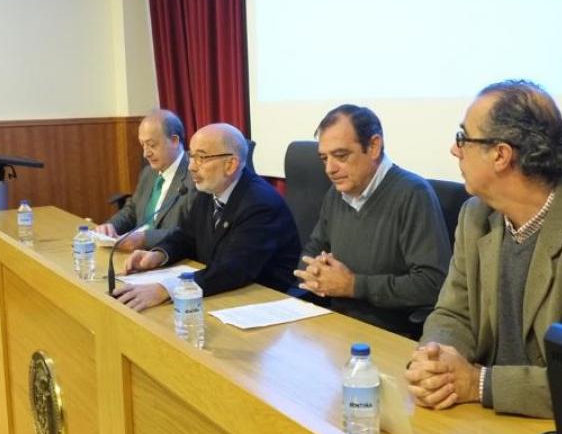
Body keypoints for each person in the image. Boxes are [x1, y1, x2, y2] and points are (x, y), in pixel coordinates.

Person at [404, 80, 562, 418]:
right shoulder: (475, 216)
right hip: (483, 422)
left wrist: (479, 383)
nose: (455, 150)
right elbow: (454, 313)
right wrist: (435, 360)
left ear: (501, 154)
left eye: (463, 138)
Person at [293, 104, 451, 336]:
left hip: (390, 333)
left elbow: (433, 284)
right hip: (336, 325)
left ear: (374, 146)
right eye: (323, 158)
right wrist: (316, 272)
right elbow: (308, 256)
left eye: (340, 156)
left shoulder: (413, 194)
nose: (329, 169)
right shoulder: (336, 194)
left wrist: (353, 286)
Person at [112, 123, 301, 311]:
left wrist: (165, 289)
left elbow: (233, 269)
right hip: (223, 295)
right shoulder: (208, 192)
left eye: (201, 158)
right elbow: (186, 236)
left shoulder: (260, 204)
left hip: (263, 303)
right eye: (191, 156)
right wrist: (158, 255)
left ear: (230, 164)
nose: (192, 167)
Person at [96, 109, 195, 251]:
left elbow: (190, 231)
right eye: (143, 145)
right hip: (136, 253)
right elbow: (132, 210)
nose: (146, 153)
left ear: (174, 141)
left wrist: (145, 238)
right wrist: (111, 226)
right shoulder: (148, 173)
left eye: (152, 145)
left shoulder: (195, 176)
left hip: (169, 256)